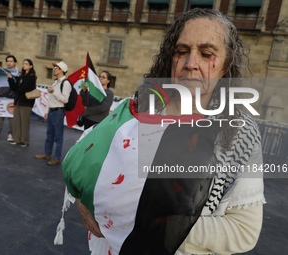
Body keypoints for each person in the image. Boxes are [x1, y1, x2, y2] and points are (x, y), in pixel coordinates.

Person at [60, 8, 265, 255]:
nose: (191, 64)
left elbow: (243, 231)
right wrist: (83, 200)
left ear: (225, 67)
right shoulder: (136, 106)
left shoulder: (239, 133)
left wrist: (142, 220)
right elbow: (85, 162)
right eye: (181, 51)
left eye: (206, 53)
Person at [35, 61, 71, 166]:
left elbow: (65, 100)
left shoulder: (66, 83)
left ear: (62, 70)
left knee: (58, 136)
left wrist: (53, 92)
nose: (54, 69)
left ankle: (57, 157)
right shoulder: (56, 81)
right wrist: (46, 111)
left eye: (56, 68)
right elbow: (50, 99)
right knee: (49, 134)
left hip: (59, 112)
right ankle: (47, 153)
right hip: (52, 111)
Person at [6, 59, 36, 147]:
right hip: (18, 101)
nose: (24, 65)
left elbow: (23, 89)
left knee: (24, 122)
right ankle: (17, 139)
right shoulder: (21, 76)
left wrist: (17, 90)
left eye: (26, 64)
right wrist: (10, 78)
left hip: (26, 102)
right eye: (23, 63)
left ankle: (25, 141)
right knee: (17, 121)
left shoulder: (31, 77)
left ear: (31, 66)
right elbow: (14, 87)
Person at [0, 55, 18, 142]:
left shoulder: (19, 72)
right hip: (2, 97)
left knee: (11, 117)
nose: (9, 63)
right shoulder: (2, 71)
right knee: (0, 116)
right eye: (8, 61)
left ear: (15, 62)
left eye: (11, 61)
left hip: (12, 98)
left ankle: (10, 134)